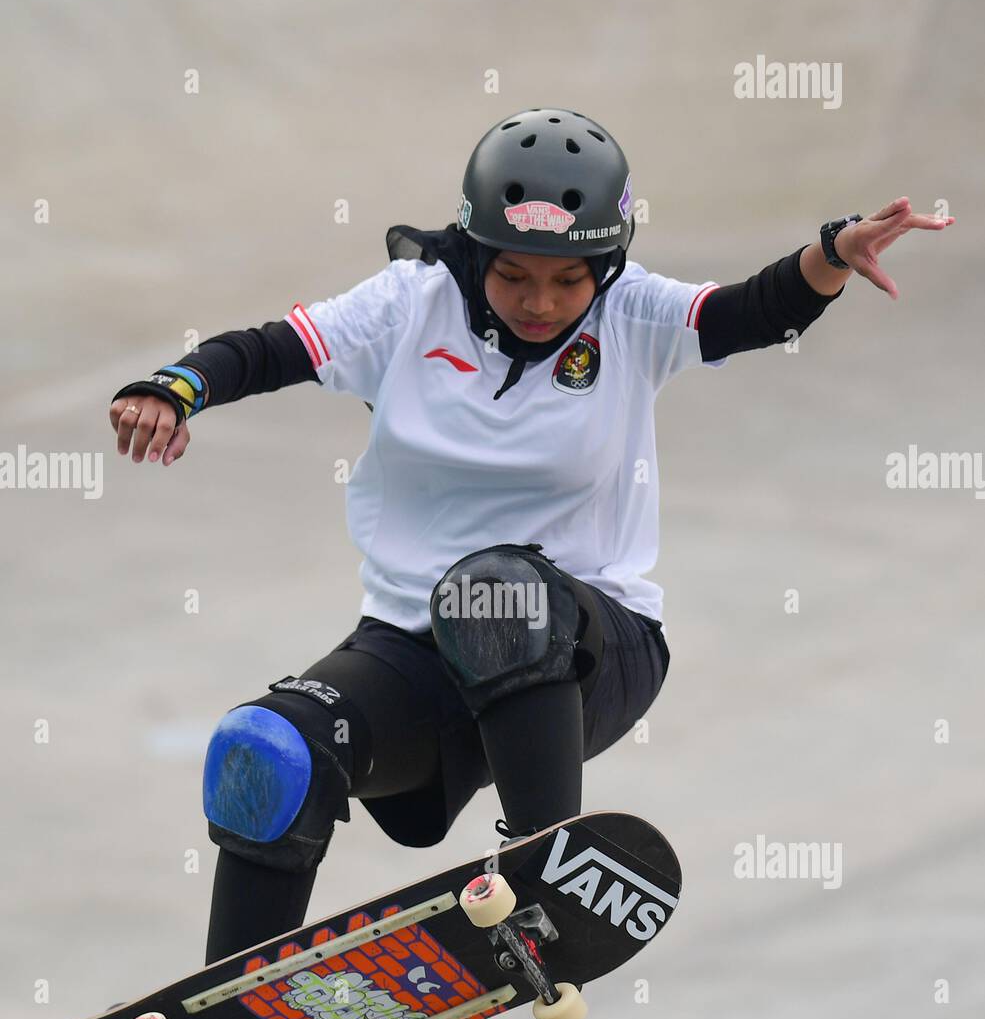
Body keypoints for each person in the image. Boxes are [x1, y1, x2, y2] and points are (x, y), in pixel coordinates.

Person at [108, 107, 953, 965]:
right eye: (513, 277)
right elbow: (269, 349)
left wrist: (829, 258)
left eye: (567, 283)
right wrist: (176, 388)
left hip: (593, 650)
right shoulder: (411, 301)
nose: (540, 304)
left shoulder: (629, 313)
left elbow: (747, 312)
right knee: (269, 752)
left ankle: (546, 867)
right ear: (475, 253)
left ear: (604, 268)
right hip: (416, 654)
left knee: (494, 588)